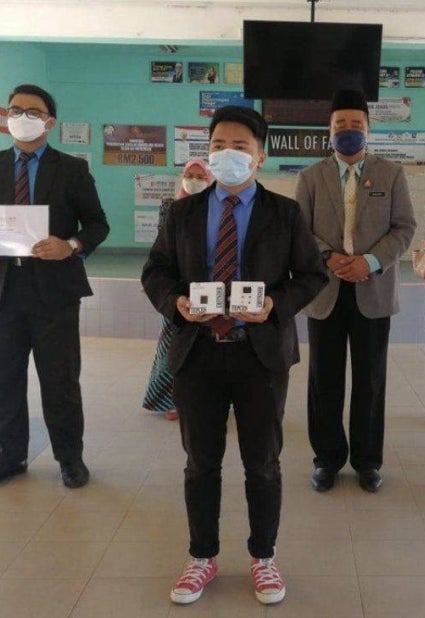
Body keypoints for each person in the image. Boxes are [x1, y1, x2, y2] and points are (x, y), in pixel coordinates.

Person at [142, 106, 327, 606]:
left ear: (260, 156)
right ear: (207, 153)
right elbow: (155, 272)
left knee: (263, 463)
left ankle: (263, 556)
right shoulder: (181, 212)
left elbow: (312, 276)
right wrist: (177, 304)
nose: (228, 154)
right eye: (219, 145)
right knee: (201, 463)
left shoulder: (285, 214)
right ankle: (202, 556)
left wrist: (275, 305)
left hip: (260, 356)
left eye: (240, 146)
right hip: (197, 355)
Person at [0, 84, 110, 490]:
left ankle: (69, 458)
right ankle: (9, 456)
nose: (22, 116)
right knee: (2, 380)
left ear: (50, 121)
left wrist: (70, 245)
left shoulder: (72, 169)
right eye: (15, 110)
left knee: (59, 380)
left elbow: (97, 224)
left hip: (53, 291)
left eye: (32, 111)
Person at [296, 88, 417, 493]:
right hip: (326, 291)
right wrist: (329, 257)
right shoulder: (310, 177)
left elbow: (404, 228)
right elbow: (300, 232)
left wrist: (370, 261)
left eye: (356, 125)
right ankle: (326, 460)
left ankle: (368, 461)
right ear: (328, 131)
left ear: (369, 129)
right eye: (340, 125)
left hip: (374, 289)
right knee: (323, 381)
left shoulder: (390, 174)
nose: (348, 131)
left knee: (370, 380)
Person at [142, 158, 214, 421]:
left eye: (200, 176)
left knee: (204, 351)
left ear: (209, 180)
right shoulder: (169, 208)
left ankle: (204, 400)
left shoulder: (215, 208)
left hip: (206, 288)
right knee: (171, 348)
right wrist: (159, 284)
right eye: (190, 175)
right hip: (175, 291)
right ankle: (168, 401)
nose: (194, 181)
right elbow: (159, 249)